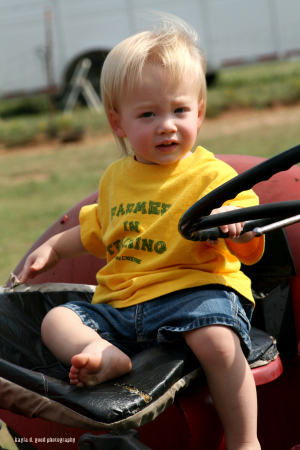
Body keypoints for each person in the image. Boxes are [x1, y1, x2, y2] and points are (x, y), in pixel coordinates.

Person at [18, 15, 263, 450]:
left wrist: (236, 227)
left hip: (197, 292)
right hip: (124, 305)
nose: (167, 125)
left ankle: (245, 440)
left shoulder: (214, 177)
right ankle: (104, 355)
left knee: (219, 342)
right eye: (148, 114)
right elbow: (95, 230)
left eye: (179, 110)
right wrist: (55, 247)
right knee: (57, 319)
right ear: (119, 124)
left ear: (199, 112)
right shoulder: (116, 179)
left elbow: (249, 244)